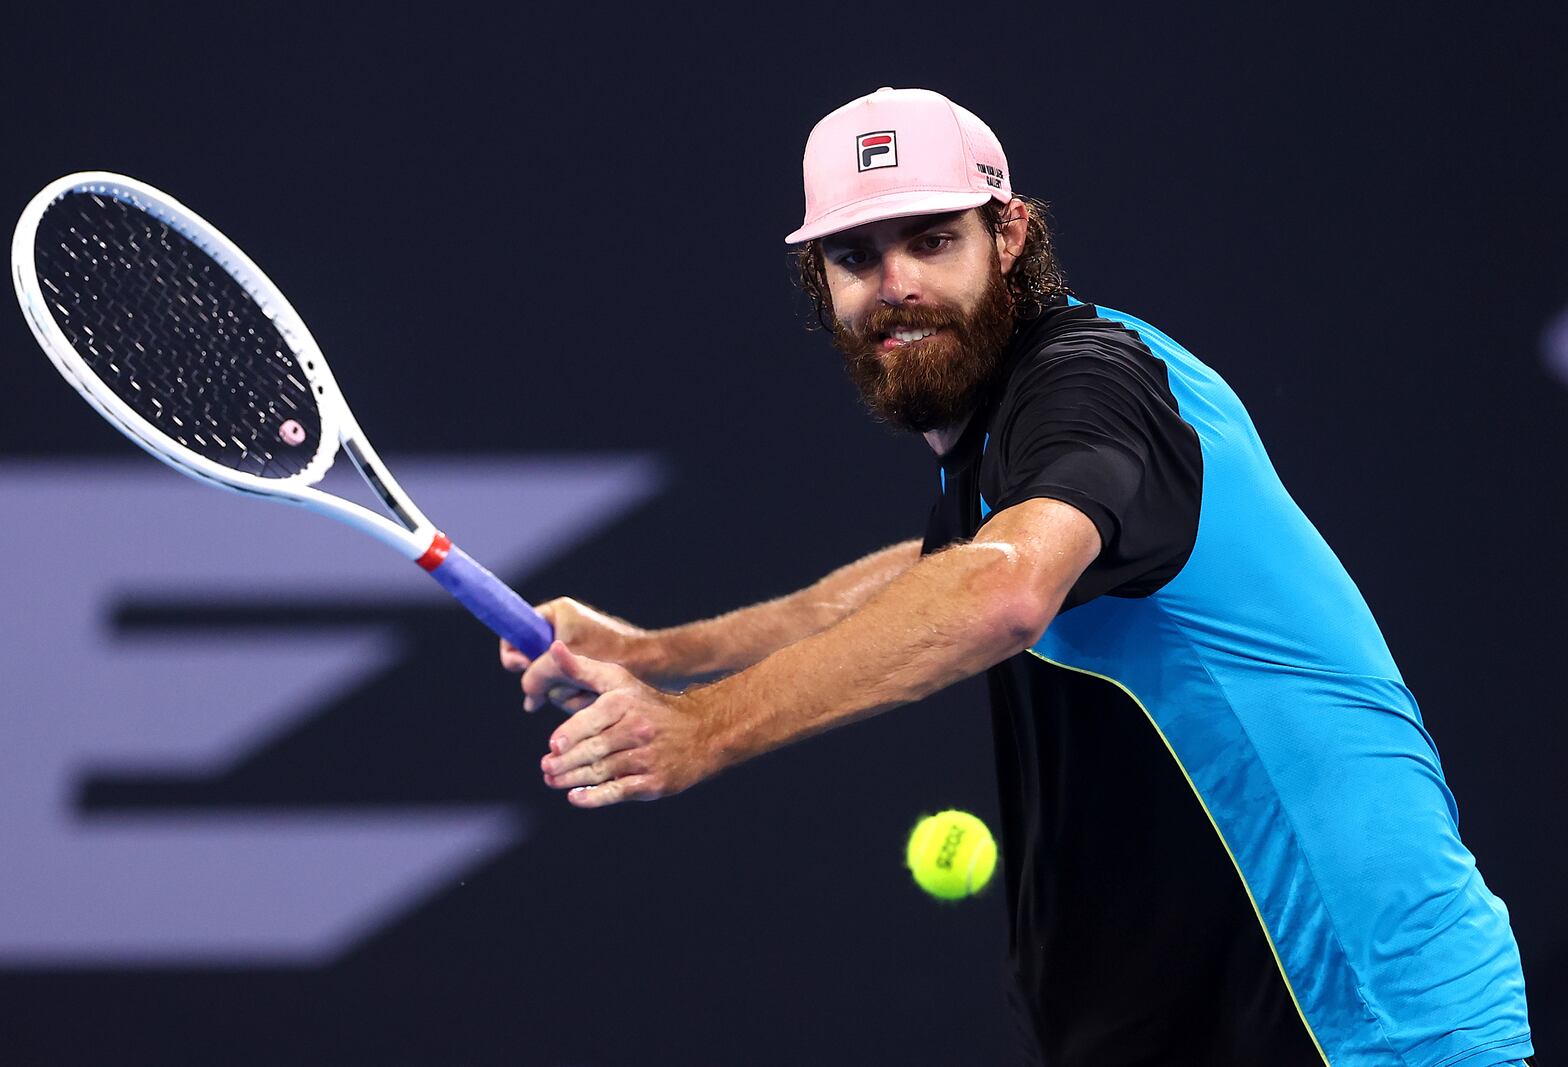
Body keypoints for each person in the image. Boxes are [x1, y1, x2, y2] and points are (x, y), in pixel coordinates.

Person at [500, 87, 1534, 1065]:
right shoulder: (1002, 435)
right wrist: (656, 653)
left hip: (1352, 1015)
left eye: (931, 240)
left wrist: (702, 727)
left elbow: (998, 589)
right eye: (855, 255)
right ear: (821, 286)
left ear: (1010, 235)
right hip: (1210, 1012)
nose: (894, 283)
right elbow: (927, 573)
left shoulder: (1094, 380)